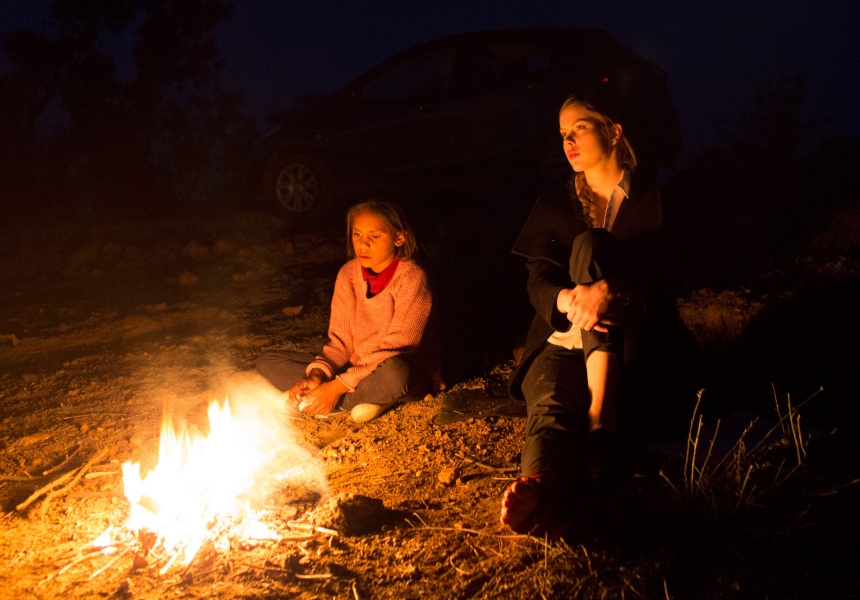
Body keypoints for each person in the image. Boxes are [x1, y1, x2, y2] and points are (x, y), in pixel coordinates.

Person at [501, 91, 664, 537]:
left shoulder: (653, 199)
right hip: (561, 338)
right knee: (550, 407)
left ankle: (600, 422)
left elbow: (669, 279)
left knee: (592, 246)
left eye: (579, 128)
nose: (568, 141)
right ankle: (543, 486)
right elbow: (538, 281)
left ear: (614, 131)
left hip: (628, 341)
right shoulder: (555, 205)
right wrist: (571, 300)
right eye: (562, 134)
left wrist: (614, 291)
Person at [256, 200, 445, 424]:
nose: (363, 244)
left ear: (398, 238)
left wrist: (337, 386)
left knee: (395, 374)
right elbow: (340, 341)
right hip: (358, 368)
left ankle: (333, 402)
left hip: (406, 367)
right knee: (268, 360)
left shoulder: (413, 277)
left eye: (374, 236)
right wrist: (318, 375)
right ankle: (355, 398)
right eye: (357, 234)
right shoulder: (348, 274)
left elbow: (399, 347)